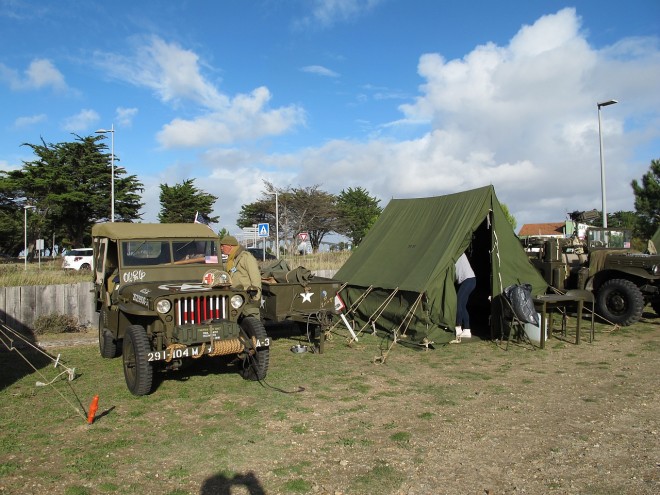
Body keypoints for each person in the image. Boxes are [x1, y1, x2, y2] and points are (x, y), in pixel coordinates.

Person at [219, 235, 262, 318]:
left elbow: (255, 278)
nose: (221, 248)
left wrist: (255, 298)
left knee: (252, 324)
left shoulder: (246, 257)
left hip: (247, 297)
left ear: (230, 246)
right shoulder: (232, 259)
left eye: (223, 246)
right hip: (236, 299)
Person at [455, 252, 476, 338]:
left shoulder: (459, 252)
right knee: (462, 306)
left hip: (468, 280)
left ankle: (458, 327)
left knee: (458, 303)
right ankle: (467, 330)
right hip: (469, 280)